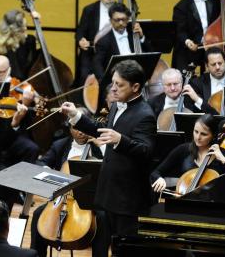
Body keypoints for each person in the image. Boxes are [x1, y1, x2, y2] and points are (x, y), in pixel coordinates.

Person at [61, 59, 156, 256]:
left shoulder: (145, 114)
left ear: (135, 87)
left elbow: (147, 151)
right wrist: (76, 116)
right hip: (108, 195)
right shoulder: (116, 106)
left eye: (119, 85)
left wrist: (121, 140)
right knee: (101, 249)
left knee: (123, 252)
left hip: (127, 201)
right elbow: (100, 131)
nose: (113, 89)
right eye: (113, 83)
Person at [30, 107, 104, 257]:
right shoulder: (61, 145)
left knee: (102, 218)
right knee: (38, 213)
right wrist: (51, 174)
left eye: (84, 127)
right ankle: (36, 254)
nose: (81, 132)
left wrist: (102, 147)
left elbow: (111, 168)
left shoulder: (100, 146)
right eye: (76, 128)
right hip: (63, 198)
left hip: (92, 199)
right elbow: (40, 163)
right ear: (70, 127)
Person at [150, 114, 225, 193]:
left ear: (213, 135)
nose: (198, 137)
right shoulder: (183, 150)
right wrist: (159, 178)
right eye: (196, 131)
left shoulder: (224, 154)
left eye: (203, 134)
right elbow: (155, 173)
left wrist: (223, 159)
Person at [171, 0, 225, 72]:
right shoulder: (181, 6)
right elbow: (179, 31)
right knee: (182, 60)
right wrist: (188, 41)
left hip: (215, 46)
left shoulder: (214, 0)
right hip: (195, 47)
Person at [183, 47, 225, 114]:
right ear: (207, 66)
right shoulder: (197, 83)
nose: (217, 67)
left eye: (220, 63)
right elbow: (193, 110)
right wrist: (197, 100)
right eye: (213, 64)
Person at [75, 0, 116, 86]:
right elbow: (80, 32)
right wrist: (81, 40)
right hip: (92, 51)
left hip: (112, 51)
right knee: (84, 77)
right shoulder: (89, 10)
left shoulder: (120, 9)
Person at [0, 9, 40, 81]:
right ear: (16, 30)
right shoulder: (28, 41)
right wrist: (38, 24)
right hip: (18, 88)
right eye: (24, 27)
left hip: (13, 87)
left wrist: (38, 25)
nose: (26, 28)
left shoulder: (1, 44)